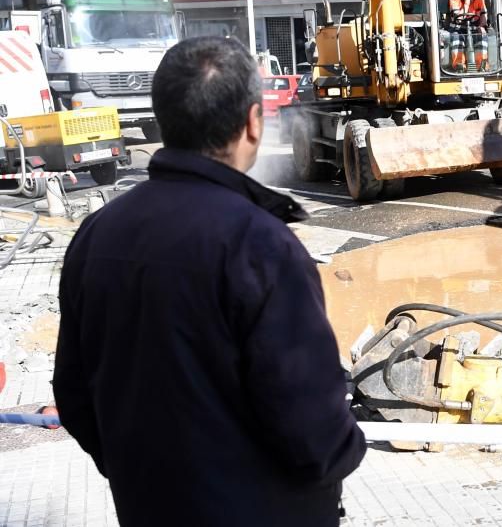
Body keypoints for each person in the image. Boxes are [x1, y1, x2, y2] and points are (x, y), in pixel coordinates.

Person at [53, 36, 367, 526]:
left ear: (163, 121)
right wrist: (350, 443)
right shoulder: (261, 246)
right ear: (253, 123)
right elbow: (314, 436)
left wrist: (138, 471)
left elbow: (73, 395)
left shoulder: (97, 234)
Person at [447, 0, 489, 72]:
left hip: (474, 27)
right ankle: (459, 65)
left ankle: (481, 65)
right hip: (458, 28)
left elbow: (483, 14)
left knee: (482, 37)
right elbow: (460, 17)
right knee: (456, 39)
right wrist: (466, 3)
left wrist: (482, 26)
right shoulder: (454, 0)